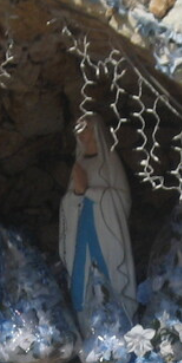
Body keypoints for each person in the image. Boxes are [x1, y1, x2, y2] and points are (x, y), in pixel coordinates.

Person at [58, 114, 137, 319]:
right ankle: (88, 328)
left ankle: (120, 324)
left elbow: (122, 199)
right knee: (81, 281)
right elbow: (70, 199)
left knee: (110, 277)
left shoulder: (109, 162)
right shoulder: (80, 163)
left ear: (96, 130)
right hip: (82, 231)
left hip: (104, 232)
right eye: (78, 130)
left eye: (85, 129)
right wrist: (77, 193)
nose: (81, 134)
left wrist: (89, 192)